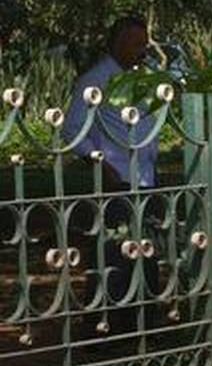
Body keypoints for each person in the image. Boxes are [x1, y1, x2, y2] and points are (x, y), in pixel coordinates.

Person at [61, 16, 162, 332]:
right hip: (118, 177)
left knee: (146, 250)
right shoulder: (95, 80)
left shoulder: (141, 78)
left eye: (144, 42)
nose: (141, 50)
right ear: (117, 44)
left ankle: (141, 321)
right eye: (135, 43)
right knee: (113, 254)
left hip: (145, 177)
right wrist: (98, 162)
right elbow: (72, 127)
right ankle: (103, 325)